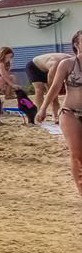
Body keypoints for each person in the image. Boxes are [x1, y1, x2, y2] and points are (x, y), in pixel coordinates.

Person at [47, 31, 82, 197]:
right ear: (76, 44)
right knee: (77, 153)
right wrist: (42, 108)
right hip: (70, 112)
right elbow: (54, 87)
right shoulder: (67, 64)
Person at [28, 51, 73, 125]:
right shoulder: (57, 65)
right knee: (40, 90)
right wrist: (44, 108)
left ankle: (55, 116)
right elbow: (52, 87)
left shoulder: (74, 63)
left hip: (47, 67)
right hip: (34, 66)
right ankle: (40, 113)